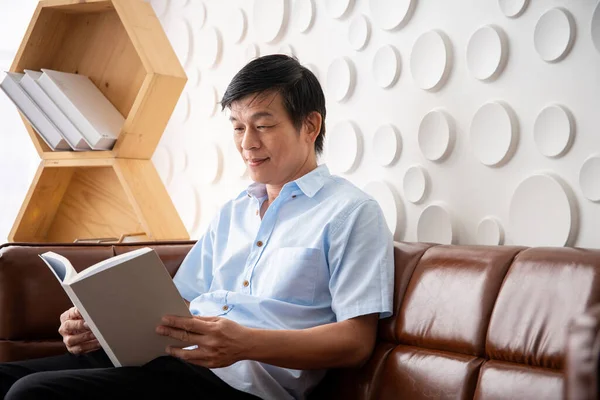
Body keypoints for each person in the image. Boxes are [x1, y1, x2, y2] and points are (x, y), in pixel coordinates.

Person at [0, 54, 394, 400]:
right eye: (238, 127)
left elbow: (355, 342)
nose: (247, 143)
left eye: (263, 125)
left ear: (310, 126)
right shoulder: (233, 212)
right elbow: (178, 307)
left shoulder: (351, 212)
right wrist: (99, 325)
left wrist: (246, 344)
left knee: (33, 394)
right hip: (168, 363)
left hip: (234, 386)